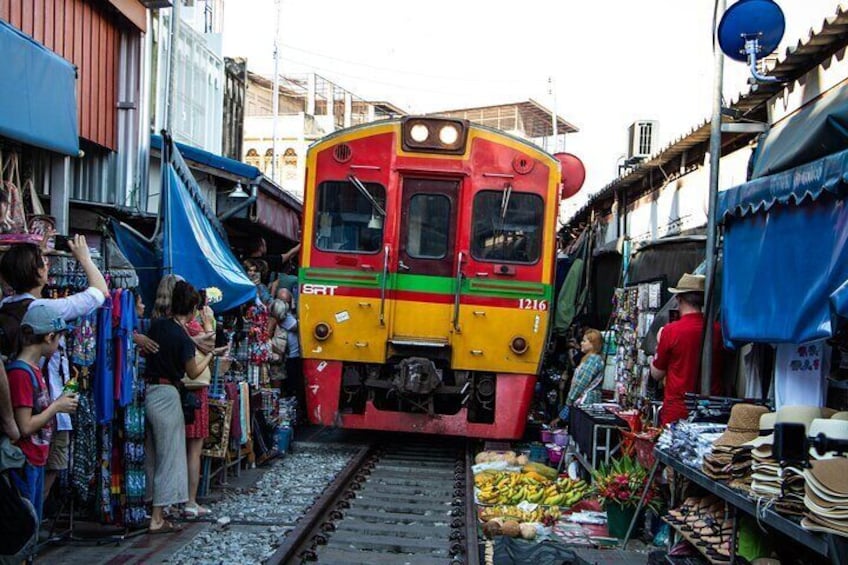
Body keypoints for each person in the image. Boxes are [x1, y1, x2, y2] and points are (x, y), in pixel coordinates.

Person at [0, 236, 110, 500]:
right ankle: (30, 527)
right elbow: (99, 293)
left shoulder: (5, 306)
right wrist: (83, 257)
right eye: (43, 264)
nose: (48, 267)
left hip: (13, 400)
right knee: (44, 469)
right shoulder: (43, 309)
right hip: (43, 403)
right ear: (38, 272)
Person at [143, 280, 224, 534]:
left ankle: (151, 508)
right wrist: (211, 354)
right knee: (169, 456)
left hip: (149, 392)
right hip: (168, 395)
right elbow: (192, 370)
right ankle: (157, 518)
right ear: (192, 310)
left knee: (152, 455)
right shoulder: (183, 338)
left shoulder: (157, 327)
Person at [7, 303, 79, 522]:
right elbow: (25, 425)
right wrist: (56, 407)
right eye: (58, 339)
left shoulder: (33, 370)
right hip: (25, 460)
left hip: (35, 459)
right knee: (27, 523)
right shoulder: (21, 373)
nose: (58, 345)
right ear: (49, 337)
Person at [650, 273, 723, 426]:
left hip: (678, 410)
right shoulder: (717, 330)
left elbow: (656, 374)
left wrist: (658, 344)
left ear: (679, 299)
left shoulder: (671, 331)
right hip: (712, 409)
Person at [550, 329, 605, 428]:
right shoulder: (592, 358)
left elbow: (580, 384)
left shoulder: (593, 360)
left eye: (584, 341)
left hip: (586, 404)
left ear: (593, 344)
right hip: (585, 404)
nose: (581, 343)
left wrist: (569, 401)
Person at [276, 288, 304, 423]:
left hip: (296, 355)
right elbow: (298, 326)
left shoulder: (289, 313)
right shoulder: (283, 315)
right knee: (293, 386)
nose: (285, 304)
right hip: (291, 357)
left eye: (287, 301)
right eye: (283, 301)